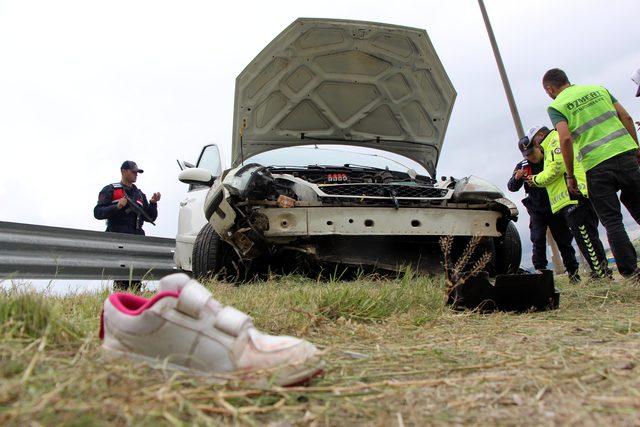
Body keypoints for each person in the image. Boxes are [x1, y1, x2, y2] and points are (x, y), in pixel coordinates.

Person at [542, 68, 640, 278]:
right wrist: (636, 149)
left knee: (612, 222)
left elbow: (565, 139)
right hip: (625, 155)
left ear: (550, 88)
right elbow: (627, 117)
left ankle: (631, 272)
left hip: (597, 166)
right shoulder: (599, 89)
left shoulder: (556, 106)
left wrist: (570, 175)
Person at [522, 125, 610, 279]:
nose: (535, 146)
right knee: (587, 236)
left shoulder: (554, 141)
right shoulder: (551, 144)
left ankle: (601, 273)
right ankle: (600, 271)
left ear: (540, 135)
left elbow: (556, 167)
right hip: (572, 196)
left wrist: (535, 179)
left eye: (534, 142)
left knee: (585, 237)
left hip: (572, 196)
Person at [508, 140, 580, 281]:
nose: (531, 157)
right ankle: (541, 275)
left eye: (532, 152)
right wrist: (516, 178)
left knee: (564, 240)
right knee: (537, 239)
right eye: (527, 155)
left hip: (556, 206)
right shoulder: (522, 166)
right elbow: (511, 186)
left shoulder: (550, 158)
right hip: (536, 210)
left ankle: (573, 273)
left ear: (538, 147)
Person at [94, 160, 161, 290]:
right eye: (133, 172)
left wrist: (153, 203)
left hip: (137, 239)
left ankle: (135, 298)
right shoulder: (110, 190)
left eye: (138, 172)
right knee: (121, 277)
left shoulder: (140, 195)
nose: (136, 174)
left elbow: (150, 217)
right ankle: (121, 299)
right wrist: (117, 206)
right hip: (118, 238)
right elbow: (98, 212)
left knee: (136, 276)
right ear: (123, 171)